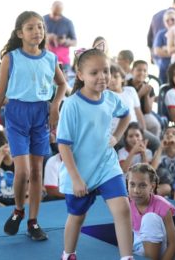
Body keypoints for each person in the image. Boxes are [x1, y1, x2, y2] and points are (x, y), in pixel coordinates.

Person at [0, 11, 67, 241]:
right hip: (17, 114)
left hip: (41, 114)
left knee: (36, 172)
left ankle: (33, 221)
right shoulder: (11, 58)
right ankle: (18, 210)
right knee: (22, 171)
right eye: (30, 28)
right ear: (20, 33)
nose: (36, 32)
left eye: (40, 27)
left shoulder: (50, 58)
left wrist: (55, 105)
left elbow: (62, 85)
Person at [56, 44, 133, 260]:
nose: (102, 77)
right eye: (94, 72)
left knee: (123, 210)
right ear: (80, 75)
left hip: (107, 166)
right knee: (77, 217)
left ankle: (127, 257)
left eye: (106, 70)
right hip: (80, 172)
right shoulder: (71, 105)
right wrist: (76, 179)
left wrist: (116, 136)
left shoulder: (111, 98)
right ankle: (68, 253)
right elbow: (63, 145)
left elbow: (126, 115)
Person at [128, 163, 175, 259]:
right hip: (140, 250)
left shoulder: (162, 205)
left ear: (152, 187)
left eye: (142, 185)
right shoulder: (127, 205)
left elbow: (173, 244)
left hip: (166, 254)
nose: (136, 190)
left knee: (150, 218)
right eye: (132, 184)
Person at [151, 125, 175, 197]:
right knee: (166, 186)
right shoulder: (159, 154)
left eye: (174, 134)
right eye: (167, 134)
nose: (170, 135)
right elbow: (151, 170)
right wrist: (160, 148)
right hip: (166, 189)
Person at [127, 60, 162, 138]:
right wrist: (140, 94)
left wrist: (146, 95)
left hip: (144, 115)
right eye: (139, 70)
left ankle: (153, 146)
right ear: (132, 71)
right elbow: (128, 105)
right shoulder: (126, 85)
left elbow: (148, 110)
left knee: (155, 125)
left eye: (145, 71)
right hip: (129, 115)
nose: (142, 73)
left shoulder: (149, 88)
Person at [43, 1, 77, 71]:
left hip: (63, 62)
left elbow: (75, 42)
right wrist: (48, 37)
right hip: (45, 60)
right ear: (51, 8)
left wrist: (65, 41)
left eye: (59, 14)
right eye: (54, 14)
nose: (56, 17)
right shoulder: (42, 20)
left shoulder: (68, 23)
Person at [153, 9, 175, 84]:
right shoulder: (161, 34)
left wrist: (166, 49)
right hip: (165, 68)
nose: (170, 22)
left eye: (172, 19)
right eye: (167, 21)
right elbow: (157, 51)